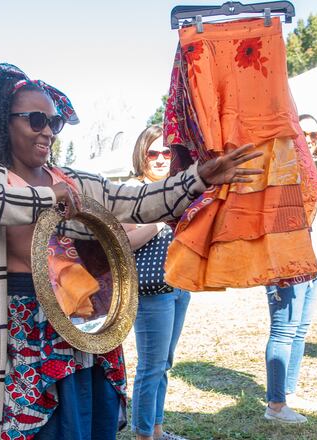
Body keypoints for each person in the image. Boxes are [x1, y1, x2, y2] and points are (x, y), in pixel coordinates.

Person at [0, 63, 263, 440]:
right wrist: (45, 199)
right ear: (3, 121)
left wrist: (200, 177)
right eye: (36, 120)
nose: (47, 132)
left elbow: (136, 200)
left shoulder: (73, 181)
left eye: (54, 124)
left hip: (90, 322)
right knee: (45, 429)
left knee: (92, 422)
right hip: (28, 332)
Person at [123, 125, 191, 440]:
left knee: (165, 362)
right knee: (151, 366)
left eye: (167, 152)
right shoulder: (131, 190)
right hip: (150, 289)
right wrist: (161, 218)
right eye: (154, 152)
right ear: (142, 154)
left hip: (179, 284)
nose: (161, 158)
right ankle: (143, 434)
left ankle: (157, 429)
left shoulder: (177, 187)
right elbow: (124, 241)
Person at [262, 122, 317, 424]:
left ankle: (287, 393)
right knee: (284, 331)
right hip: (289, 265)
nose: (311, 139)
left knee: (299, 330)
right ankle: (275, 405)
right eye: (304, 133)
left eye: (316, 134)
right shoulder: (279, 173)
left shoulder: (311, 174)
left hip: (314, 264)